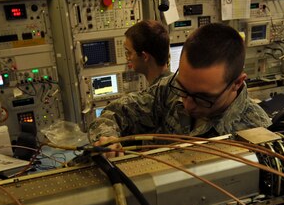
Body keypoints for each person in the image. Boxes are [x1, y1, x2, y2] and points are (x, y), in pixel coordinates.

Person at [89, 23, 271, 150]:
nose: (188, 105)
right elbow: (115, 113)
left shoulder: (258, 136)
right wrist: (107, 139)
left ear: (237, 83)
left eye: (203, 98)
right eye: (182, 89)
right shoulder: (168, 88)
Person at [123, 20, 171, 85]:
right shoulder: (175, 84)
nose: (128, 58)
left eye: (129, 52)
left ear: (144, 57)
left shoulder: (155, 93)